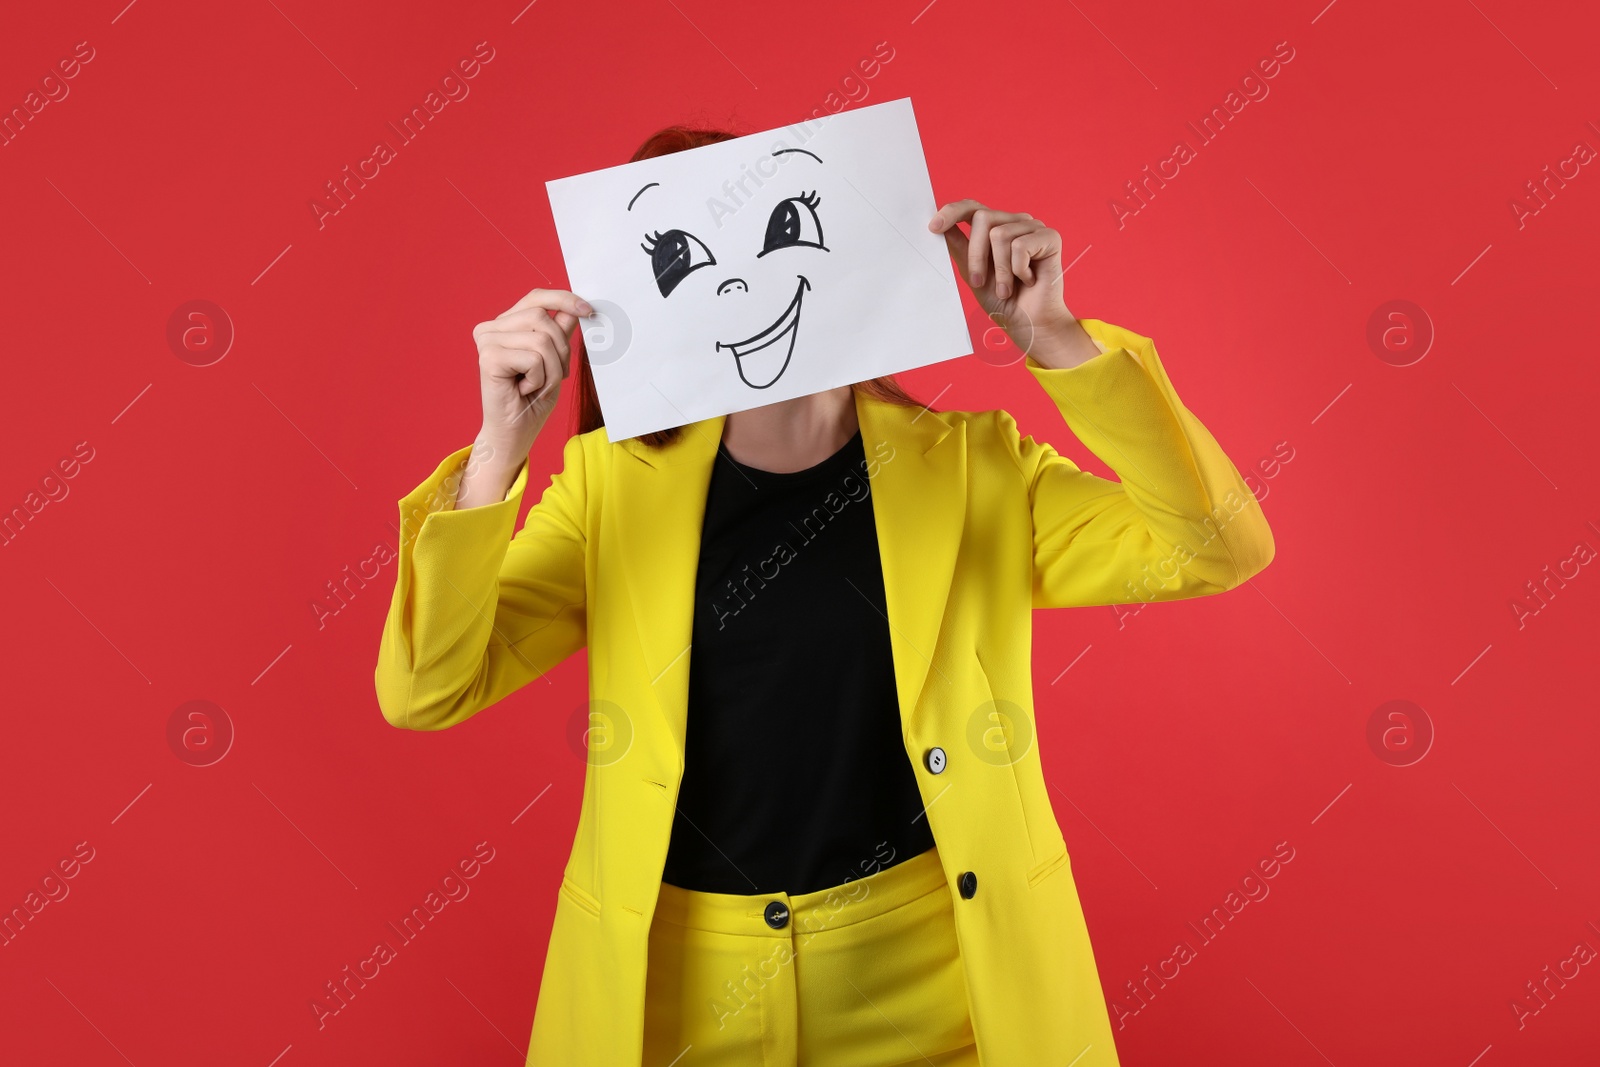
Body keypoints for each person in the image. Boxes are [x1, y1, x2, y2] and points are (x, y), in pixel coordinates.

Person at [375, 125, 1275, 1067]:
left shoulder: (974, 468)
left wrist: (1057, 337)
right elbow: (425, 688)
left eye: (778, 229)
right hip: (680, 997)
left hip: (940, 983)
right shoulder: (606, 491)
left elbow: (1218, 547)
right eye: (679, 259)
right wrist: (497, 451)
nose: (738, 284)